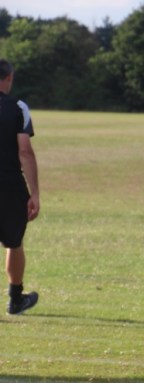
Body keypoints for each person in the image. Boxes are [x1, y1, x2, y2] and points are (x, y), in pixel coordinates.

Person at [0, 59, 40, 315]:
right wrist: (34, 193)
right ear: (9, 77)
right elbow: (25, 151)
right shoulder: (17, 107)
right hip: (9, 186)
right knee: (13, 242)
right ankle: (15, 299)